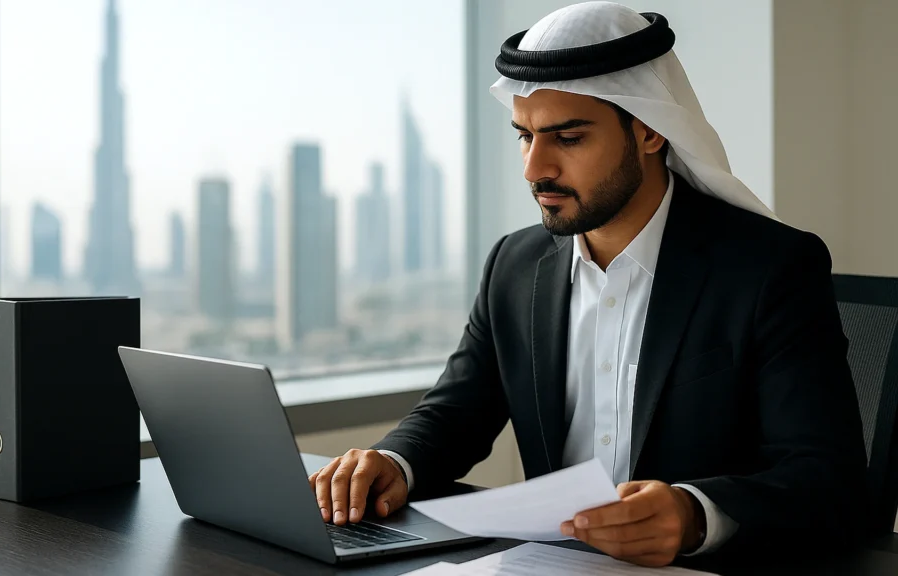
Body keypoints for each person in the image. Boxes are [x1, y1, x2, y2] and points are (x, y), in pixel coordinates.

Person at [309, 2, 865, 567]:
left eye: (567, 139)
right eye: (524, 136)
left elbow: (826, 478)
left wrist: (695, 514)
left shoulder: (770, 268)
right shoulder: (515, 263)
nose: (534, 168)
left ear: (649, 132)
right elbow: (457, 411)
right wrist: (392, 462)